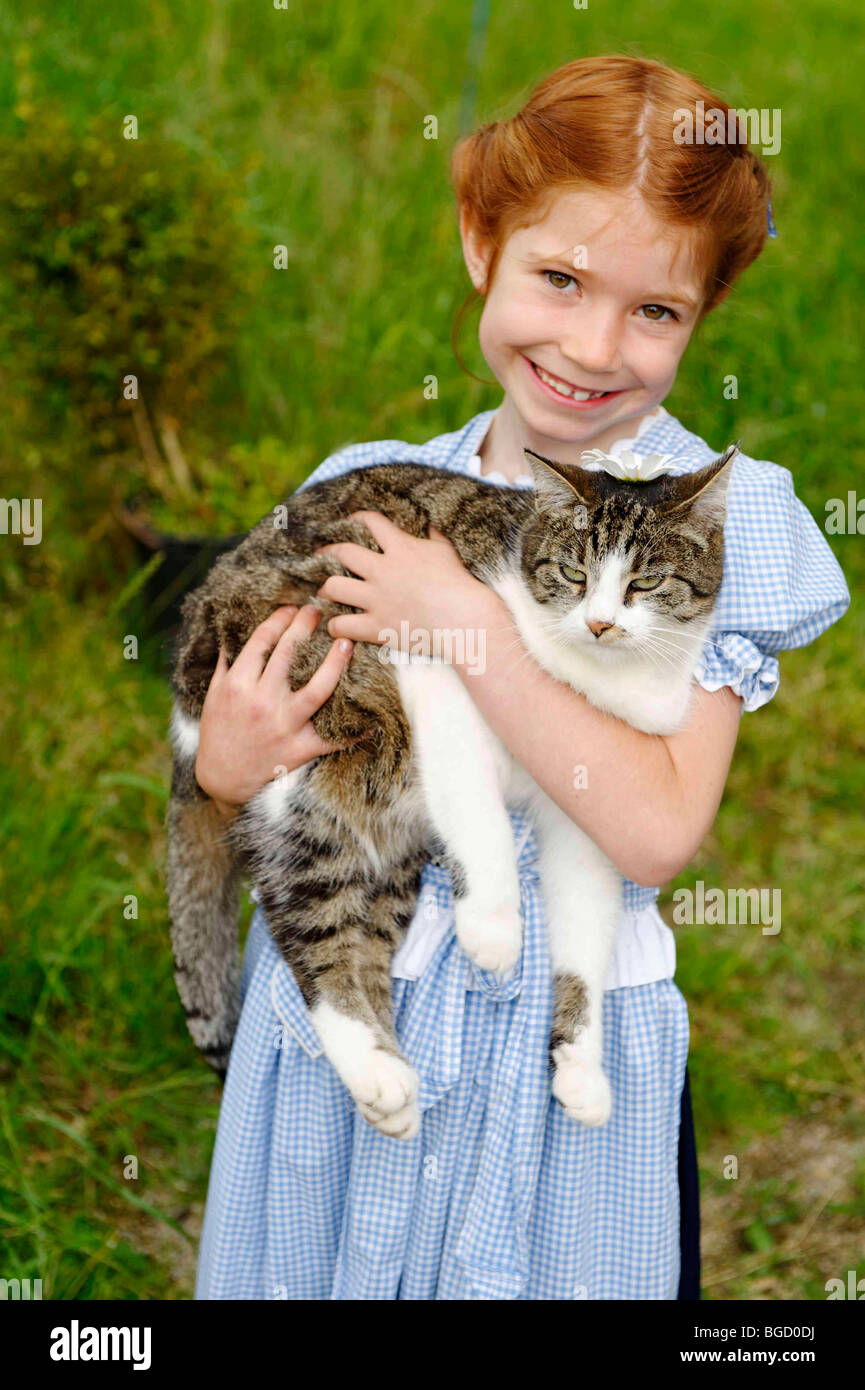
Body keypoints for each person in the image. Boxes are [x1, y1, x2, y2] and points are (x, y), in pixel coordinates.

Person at [189, 54, 849, 1299]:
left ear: (702, 315)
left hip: (558, 1045)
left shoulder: (714, 523)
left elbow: (654, 829)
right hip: (355, 996)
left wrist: (465, 624)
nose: (594, 348)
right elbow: (261, 777)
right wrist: (229, 764)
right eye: (559, 278)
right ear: (478, 241)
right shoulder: (379, 485)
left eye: (655, 311)